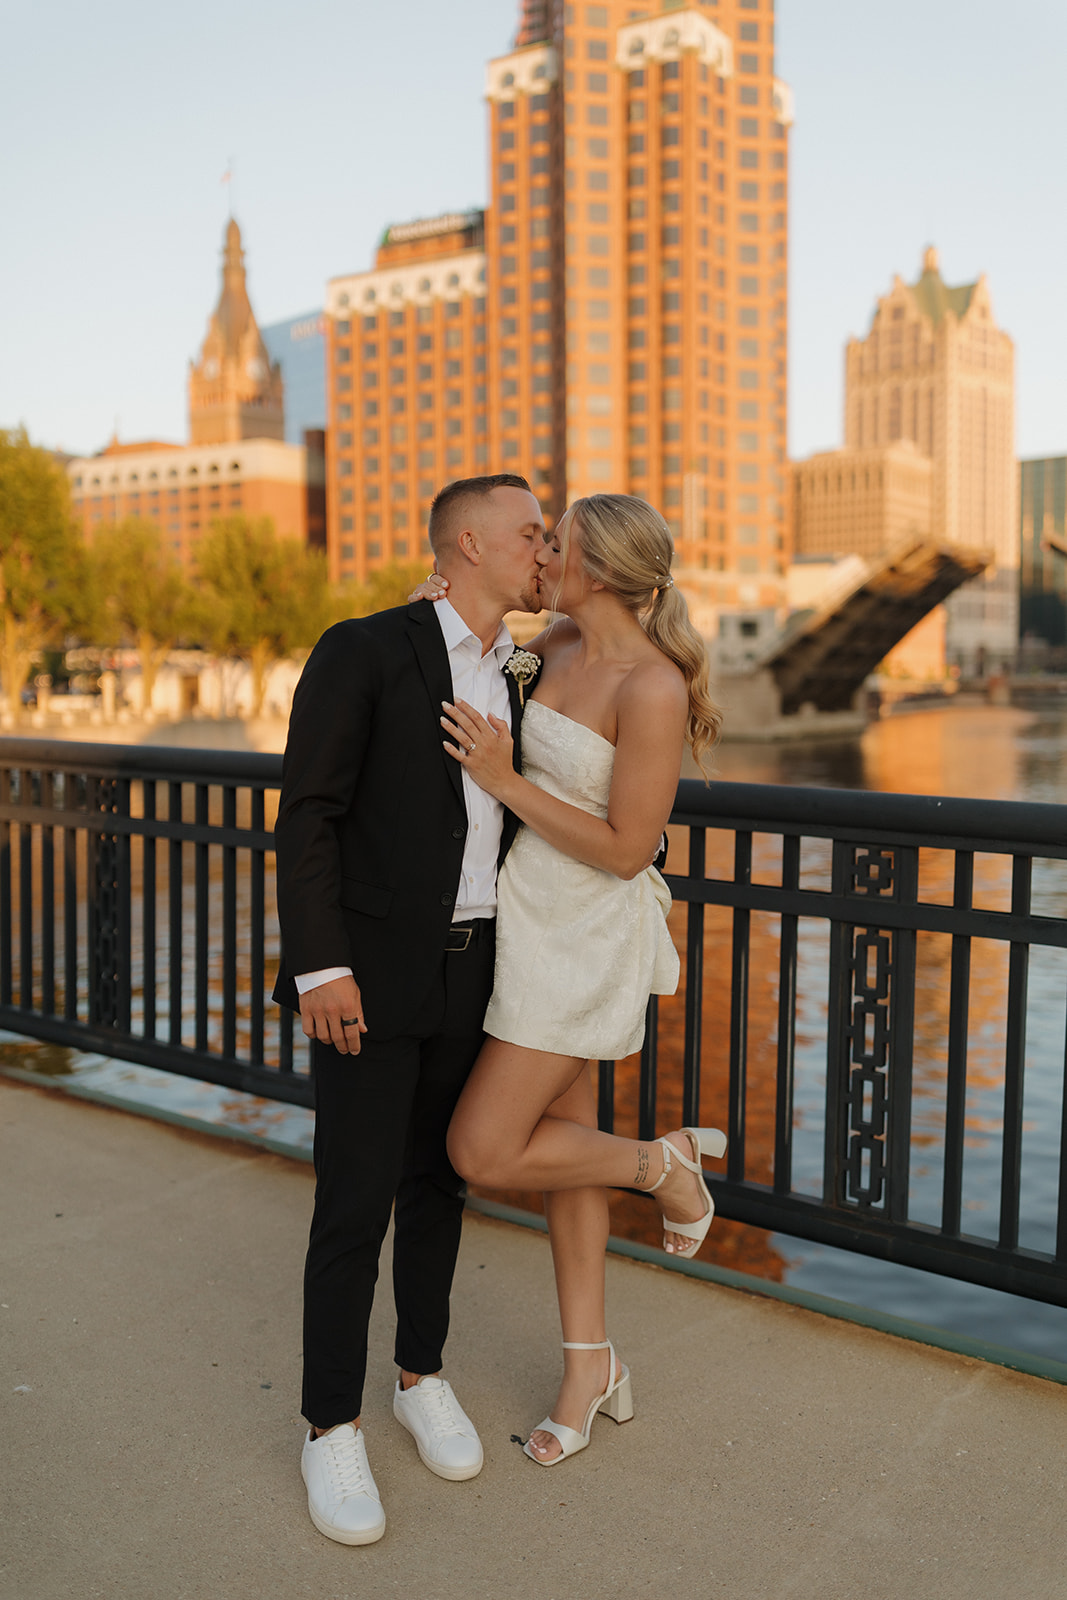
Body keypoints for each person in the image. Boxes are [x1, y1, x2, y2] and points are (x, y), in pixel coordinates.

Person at [420, 492, 725, 1466]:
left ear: (604, 567)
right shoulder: (545, 642)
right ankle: (586, 1364)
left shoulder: (651, 687)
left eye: (561, 543)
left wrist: (509, 783)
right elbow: (468, 682)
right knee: (562, 1153)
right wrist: (438, 611)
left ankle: (660, 1166)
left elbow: (629, 848)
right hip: (523, 917)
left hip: (586, 937)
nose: (544, 553)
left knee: (479, 1146)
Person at [272, 473, 550, 1544]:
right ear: (467, 543)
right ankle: (327, 1424)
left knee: (440, 1184)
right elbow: (308, 814)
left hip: (478, 974)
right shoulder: (363, 648)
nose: (543, 547)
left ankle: (418, 1374)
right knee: (352, 1202)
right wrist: (320, 968)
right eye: (529, 533)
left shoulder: (519, 665)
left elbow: (559, 655)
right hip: (369, 976)